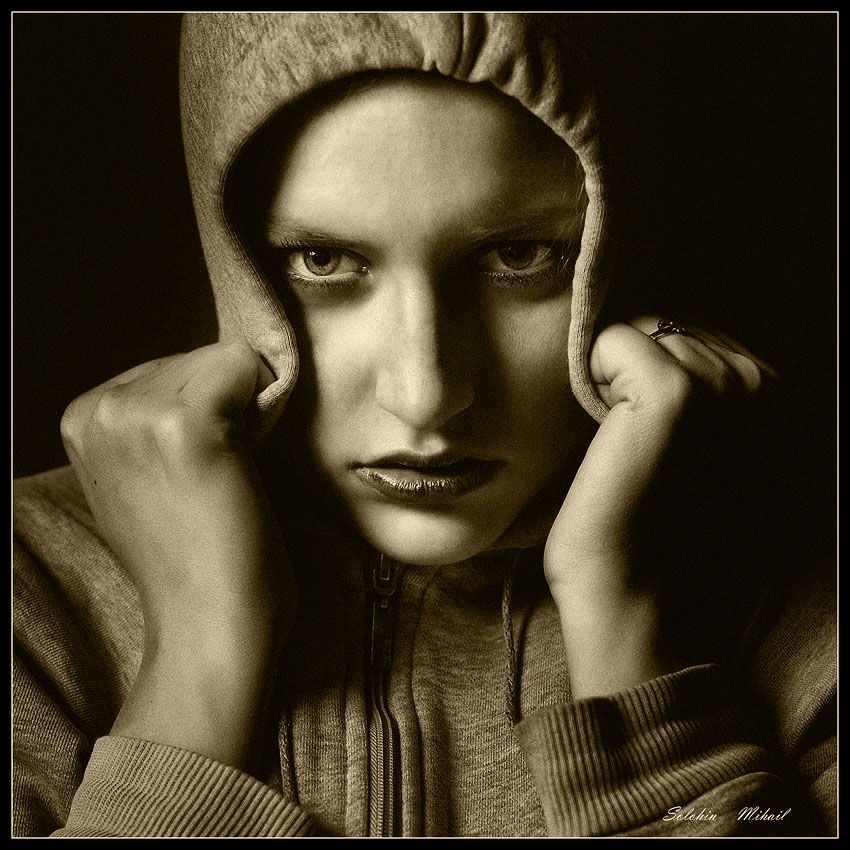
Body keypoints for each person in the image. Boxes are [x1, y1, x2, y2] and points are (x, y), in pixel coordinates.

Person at [13, 13, 836, 837]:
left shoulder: (802, 593)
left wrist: (627, 627)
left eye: (519, 257)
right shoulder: (31, 590)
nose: (427, 395)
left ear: (619, 246)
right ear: (229, 258)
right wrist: (201, 654)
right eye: (323, 260)